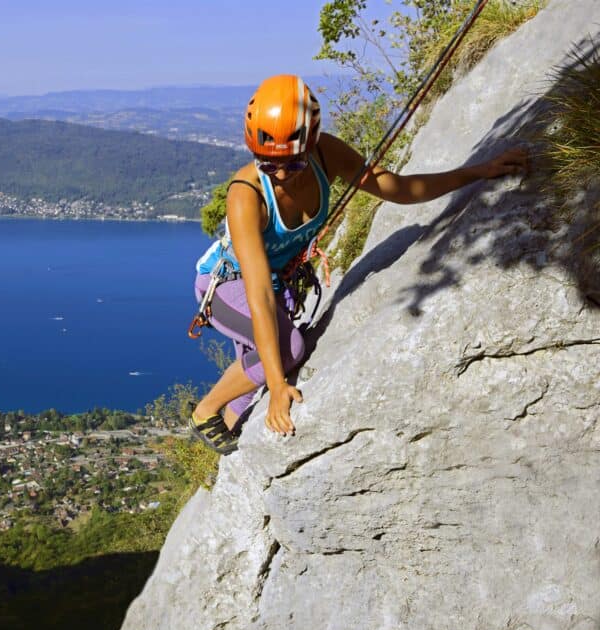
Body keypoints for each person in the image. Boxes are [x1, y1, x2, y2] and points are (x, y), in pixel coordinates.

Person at [189, 74, 529, 453]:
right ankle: (204, 412)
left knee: (258, 372)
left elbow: (397, 189)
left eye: (292, 164)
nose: (281, 175)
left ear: (311, 145)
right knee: (287, 352)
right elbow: (258, 296)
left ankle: (232, 443)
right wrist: (278, 385)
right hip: (227, 285)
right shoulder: (246, 194)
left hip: (274, 283)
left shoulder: (326, 155)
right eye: (268, 164)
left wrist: (477, 172)